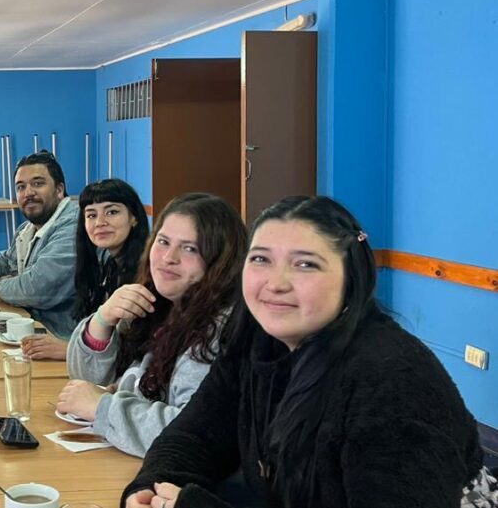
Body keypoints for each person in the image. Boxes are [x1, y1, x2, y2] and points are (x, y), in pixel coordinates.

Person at [123, 196, 492, 508]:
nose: (275, 283)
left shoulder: (392, 378)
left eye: (305, 264)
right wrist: (151, 486)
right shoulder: (255, 337)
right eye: (261, 259)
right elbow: (196, 434)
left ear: (351, 278)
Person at [59, 192, 246, 457]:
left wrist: (102, 407)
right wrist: (103, 319)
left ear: (220, 261)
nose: (169, 257)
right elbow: (86, 380)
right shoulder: (158, 303)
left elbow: (191, 432)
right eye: (163, 242)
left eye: (190, 248)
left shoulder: (217, 330)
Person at [24, 178, 150, 361]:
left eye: (112, 212)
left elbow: (138, 351)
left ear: (134, 217)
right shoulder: (109, 264)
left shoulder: (147, 273)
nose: (100, 222)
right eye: (91, 215)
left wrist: (69, 350)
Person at [0, 151, 79, 338]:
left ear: (59, 189)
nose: (28, 193)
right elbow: (4, 268)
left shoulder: (75, 225)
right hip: (30, 334)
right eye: (21, 187)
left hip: (64, 343)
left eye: (38, 184)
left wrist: (1, 285)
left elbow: (36, 290)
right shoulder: (27, 228)